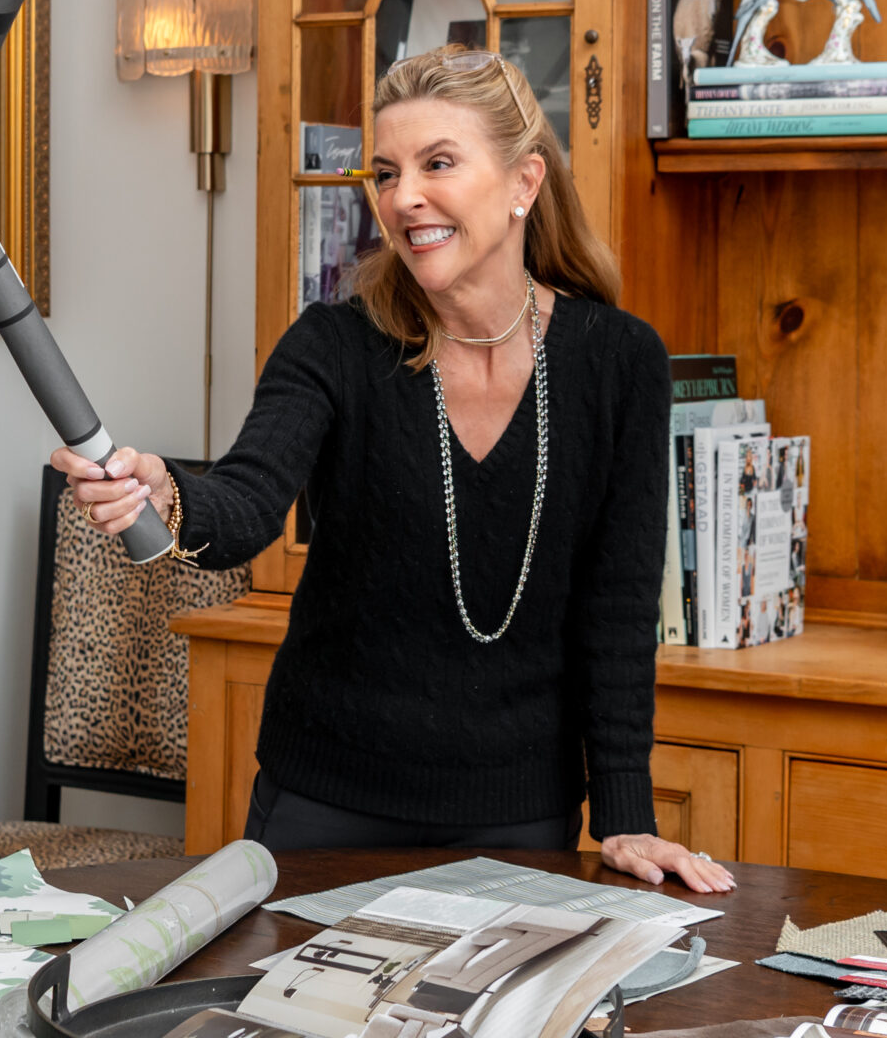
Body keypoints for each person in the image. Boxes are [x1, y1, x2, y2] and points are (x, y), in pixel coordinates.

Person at [56, 46, 730, 892]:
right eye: (385, 172)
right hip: (324, 807)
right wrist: (169, 493)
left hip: (520, 813)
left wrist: (626, 813)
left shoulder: (620, 362)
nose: (403, 197)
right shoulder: (333, 346)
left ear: (524, 183)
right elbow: (249, 500)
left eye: (437, 163)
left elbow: (619, 607)